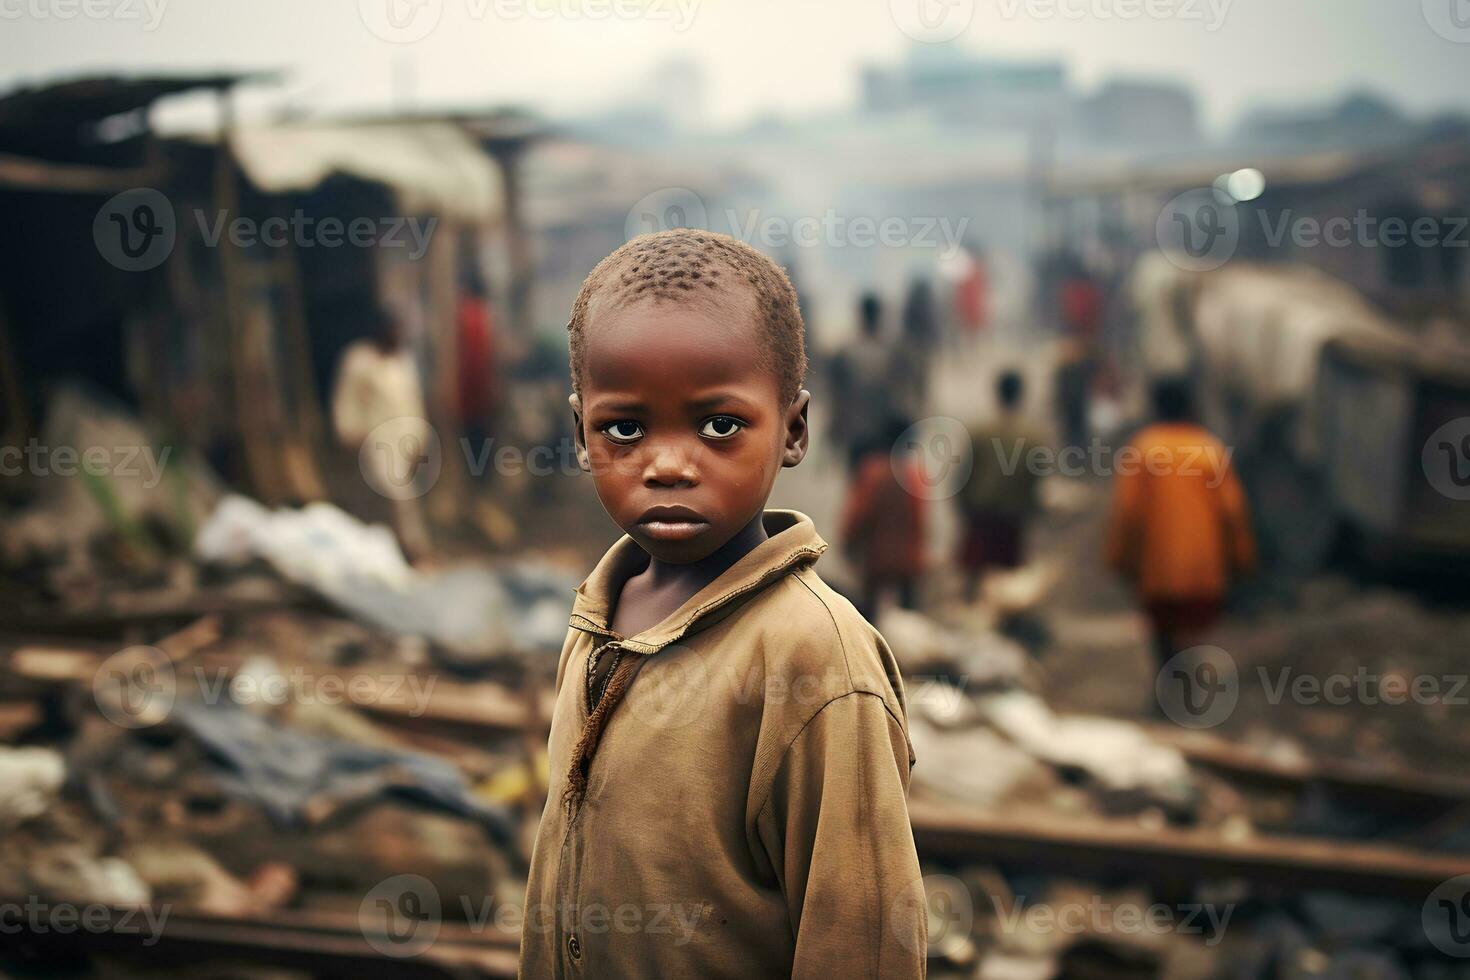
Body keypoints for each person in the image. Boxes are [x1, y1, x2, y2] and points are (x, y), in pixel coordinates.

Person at [519, 230, 925, 979]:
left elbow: (861, 946)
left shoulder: (816, 658)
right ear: (580, 434)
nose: (669, 464)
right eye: (625, 429)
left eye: (720, 426)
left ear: (794, 429)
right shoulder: (596, 621)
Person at [1105, 377, 1254, 673]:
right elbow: (1232, 511)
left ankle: (1168, 686)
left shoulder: (1144, 449)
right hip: (1203, 564)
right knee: (1193, 631)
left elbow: (1129, 512)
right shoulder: (1208, 449)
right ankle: (1186, 690)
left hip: (1156, 565)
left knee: (1163, 630)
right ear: (1189, 407)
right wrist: (1241, 555)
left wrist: (1120, 557)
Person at [330, 304, 433, 559]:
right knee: (397, 496)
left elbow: (413, 402)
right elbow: (346, 401)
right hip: (374, 441)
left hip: (403, 442)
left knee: (380, 502)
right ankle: (414, 550)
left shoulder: (403, 362)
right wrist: (350, 434)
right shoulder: (359, 360)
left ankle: (384, 554)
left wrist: (420, 437)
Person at [957, 370, 1043, 601]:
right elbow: (1035, 478)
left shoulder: (980, 431)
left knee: (975, 574)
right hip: (1012, 517)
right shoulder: (1032, 436)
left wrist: (963, 508)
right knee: (1007, 579)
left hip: (981, 514)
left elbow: (964, 474)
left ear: (997, 394)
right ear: (1021, 395)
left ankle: (971, 616)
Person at [840, 416, 927, 619]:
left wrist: (849, 542)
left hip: (876, 556)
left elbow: (858, 513)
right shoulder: (913, 474)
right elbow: (919, 517)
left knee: (868, 613)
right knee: (909, 614)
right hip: (907, 556)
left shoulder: (873, 472)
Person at [828, 292, 893, 472]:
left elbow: (837, 397)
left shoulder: (846, 352)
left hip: (856, 430)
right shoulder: (892, 351)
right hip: (884, 431)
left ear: (860, 316)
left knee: (859, 480)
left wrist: (835, 427)